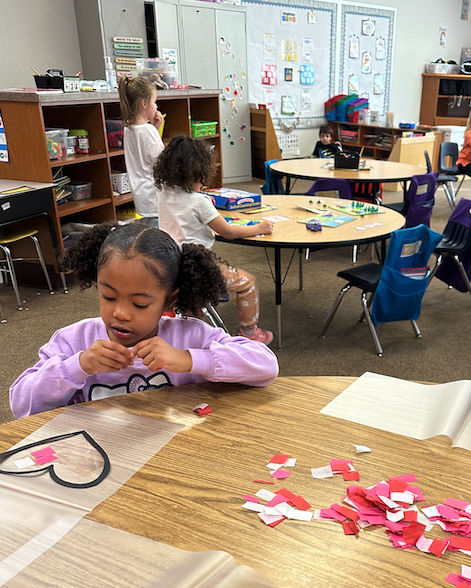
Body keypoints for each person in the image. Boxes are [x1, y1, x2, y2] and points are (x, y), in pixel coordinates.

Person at [9, 224, 279, 419]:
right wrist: (77, 366)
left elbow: (266, 366)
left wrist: (190, 359)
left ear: (170, 301)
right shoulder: (74, 340)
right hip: (97, 459)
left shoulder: (190, 337)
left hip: (175, 455)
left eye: (139, 304)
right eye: (108, 296)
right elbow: (21, 403)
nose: (121, 313)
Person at [153, 135, 274, 344]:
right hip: (197, 267)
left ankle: (188, 321)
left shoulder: (163, 192)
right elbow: (227, 231)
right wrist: (260, 227)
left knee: (191, 299)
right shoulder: (199, 201)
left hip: (169, 265)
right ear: (199, 173)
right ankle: (249, 332)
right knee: (248, 283)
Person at [118, 76, 164, 226]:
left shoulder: (129, 128)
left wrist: (155, 128)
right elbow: (162, 163)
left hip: (142, 198)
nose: (156, 107)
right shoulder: (148, 131)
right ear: (144, 103)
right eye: (154, 102)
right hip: (156, 197)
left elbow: (144, 152)